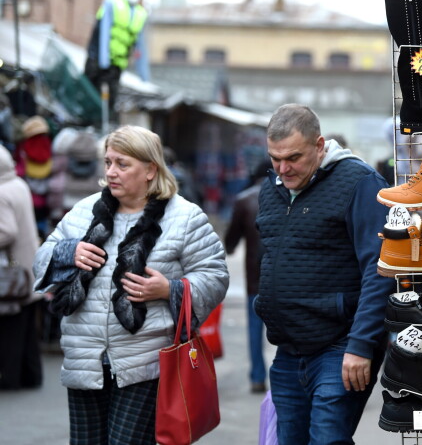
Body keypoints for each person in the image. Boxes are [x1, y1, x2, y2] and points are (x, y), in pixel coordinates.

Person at [32, 125, 229, 444]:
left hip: (145, 362)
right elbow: (41, 259)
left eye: (123, 164)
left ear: (151, 169)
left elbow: (215, 276)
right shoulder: (85, 211)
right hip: (85, 360)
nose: (111, 172)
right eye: (108, 162)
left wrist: (169, 289)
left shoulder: (185, 217)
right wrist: (69, 251)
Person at [255, 104, 395, 444]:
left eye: (293, 157)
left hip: (340, 347)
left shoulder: (359, 182)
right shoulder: (271, 189)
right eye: (275, 158)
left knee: (327, 439)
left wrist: (361, 346)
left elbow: (380, 270)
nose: (283, 168)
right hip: (288, 351)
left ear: (320, 145)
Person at [224, 158, 271, 394]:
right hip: (283, 280)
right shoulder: (286, 196)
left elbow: (231, 240)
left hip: (255, 279)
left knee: (255, 330)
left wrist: (231, 247)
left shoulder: (244, 201)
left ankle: (257, 377)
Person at [0, 144, 43, 389]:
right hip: (28, 267)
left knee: (10, 329)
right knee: (26, 330)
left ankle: (11, 378)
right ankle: (31, 375)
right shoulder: (18, 184)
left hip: (11, 273)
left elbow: (6, 231)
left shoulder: (2, 192)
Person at [84, 0, 149, 122]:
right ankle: (88, 119)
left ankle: (103, 122)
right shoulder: (112, 3)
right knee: (90, 90)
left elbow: (140, 46)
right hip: (97, 59)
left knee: (110, 97)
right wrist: (103, 61)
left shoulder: (140, 14)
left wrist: (144, 75)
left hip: (117, 64)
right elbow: (104, 31)